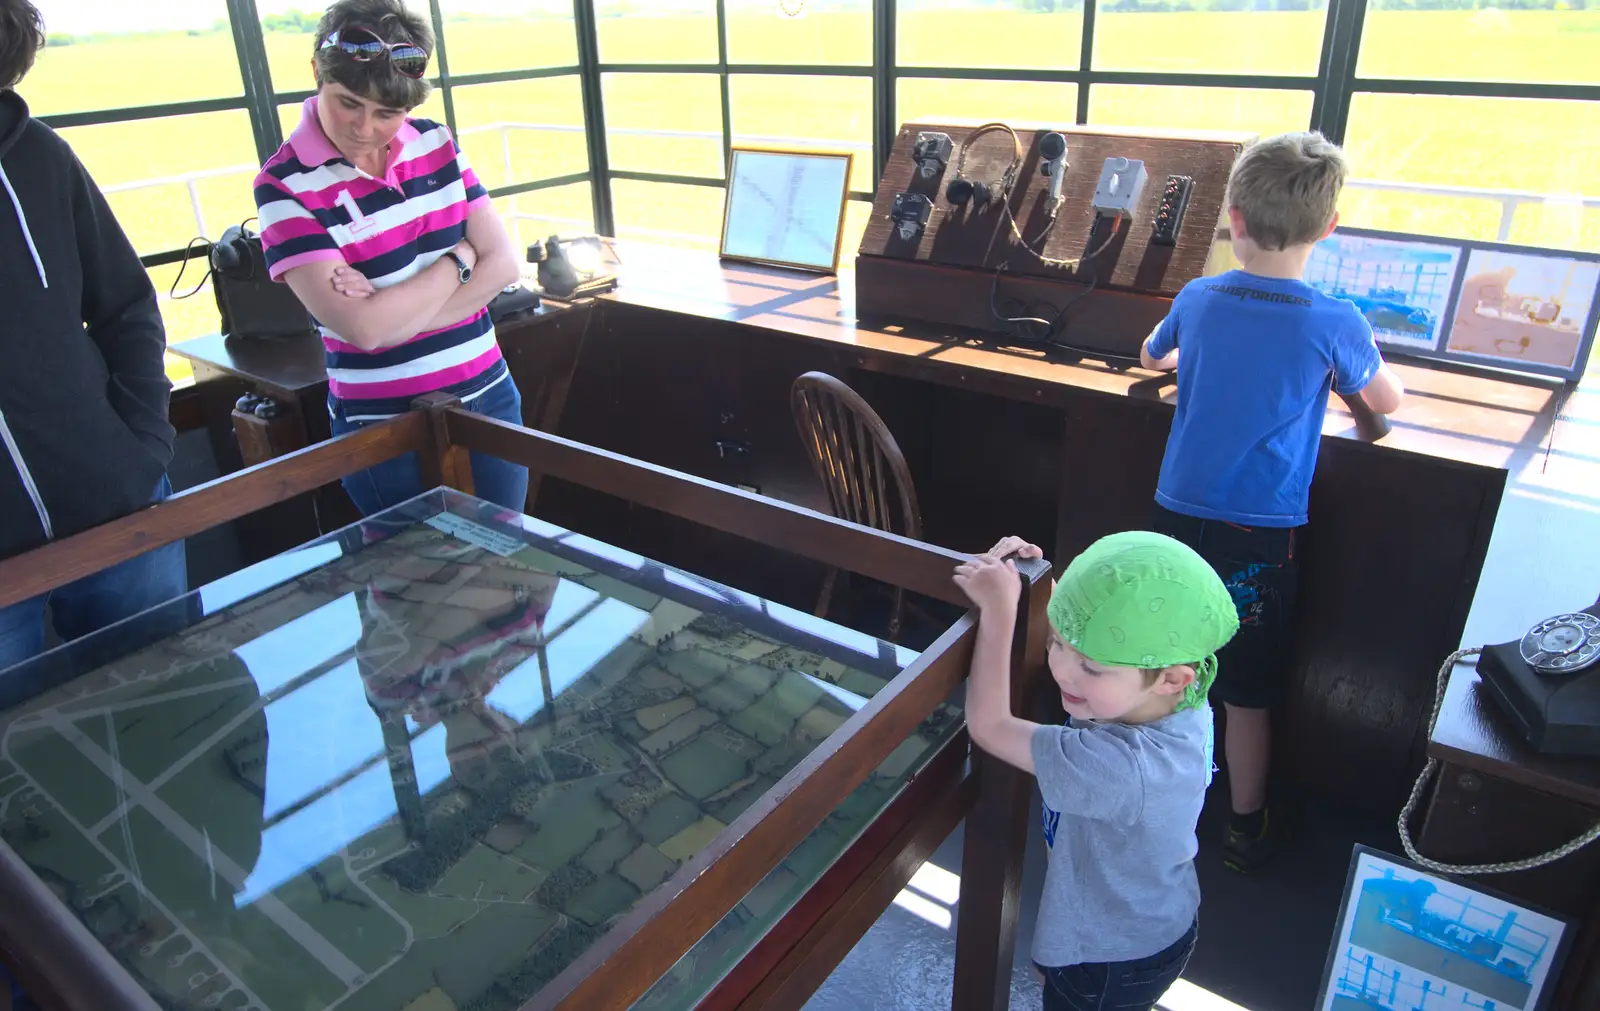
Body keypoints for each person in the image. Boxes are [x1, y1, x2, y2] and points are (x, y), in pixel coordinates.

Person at [1138, 130, 1406, 873]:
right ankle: (1244, 826)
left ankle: (1155, 803)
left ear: (1233, 219)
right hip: (1261, 535)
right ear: (1328, 227)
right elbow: (1388, 400)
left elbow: (1150, 354)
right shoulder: (1335, 321)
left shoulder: (1199, 296)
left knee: (1164, 659)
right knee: (1246, 688)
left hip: (1176, 517)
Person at [254, 0, 526, 518]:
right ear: (317, 72)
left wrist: (398, 316)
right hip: (381, 426)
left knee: (508, 557)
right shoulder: (283, 186)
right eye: (348, 102)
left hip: (490, 394)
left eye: (387, 113)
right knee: (417, 588)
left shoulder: (435, 141)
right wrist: (459, 260)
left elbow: (505, 267)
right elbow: (366, 333)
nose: (363, 128)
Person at [953, 531, 1239, 1011]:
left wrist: (999, 612)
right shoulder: (1176, 695)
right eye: (1059, 643)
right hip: (1146, 922)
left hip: (1109, 959)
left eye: (1090, 666)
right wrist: (1038, 585)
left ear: (1171, 678)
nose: (1063, 670)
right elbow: (1106, 626)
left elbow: (989, 726)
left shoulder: (1122, 767)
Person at [0, 0, 186, 673]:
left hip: (119, 514)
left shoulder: (41, 157)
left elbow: (128, 305)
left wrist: (142, 450)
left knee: (169, 711)